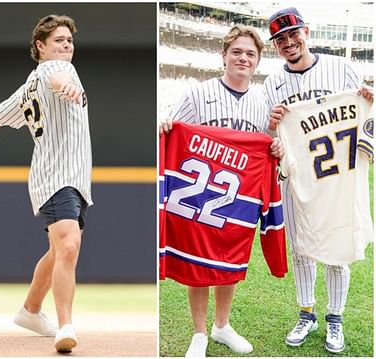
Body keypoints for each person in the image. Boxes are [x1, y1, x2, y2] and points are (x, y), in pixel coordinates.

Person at [160, 25, 284, 357]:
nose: (243, 58)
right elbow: (175, 133)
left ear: (257, 62)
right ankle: (199, 332)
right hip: (200, 193)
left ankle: (222, 325)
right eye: (237, 52)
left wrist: (277, 148)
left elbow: (267, 147)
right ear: (224, 55)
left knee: (230, 260)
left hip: (237, 198)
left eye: (250, 54)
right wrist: (164, 126)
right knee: (198, 262)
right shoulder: (198, 93)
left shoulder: (262, 103)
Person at [0, 14, 92, 353]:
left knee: (58, 250)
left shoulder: (28, 85)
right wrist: (64, 85)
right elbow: (56, 77)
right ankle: (66, 324)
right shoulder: (55, 70)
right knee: (69, 246)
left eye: (69, 41)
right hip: (59, 176)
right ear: (40, 46)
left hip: (61, 175)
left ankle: (30, 310)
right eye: (59, 40)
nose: (66, 46)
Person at [262, 7, 374, 353]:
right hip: (297, 179)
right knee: (301, 249)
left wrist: (369, 100)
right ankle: (306, 312)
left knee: (337, 249)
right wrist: (272, 123)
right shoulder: (271, 84)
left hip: (337, 175)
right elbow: (270, 137)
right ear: (276, 46)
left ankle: (335, 319)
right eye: (280, 39)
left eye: (292, 34)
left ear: (306, 32)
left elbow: (365, 115)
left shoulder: (340, 67)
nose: (288, 42)